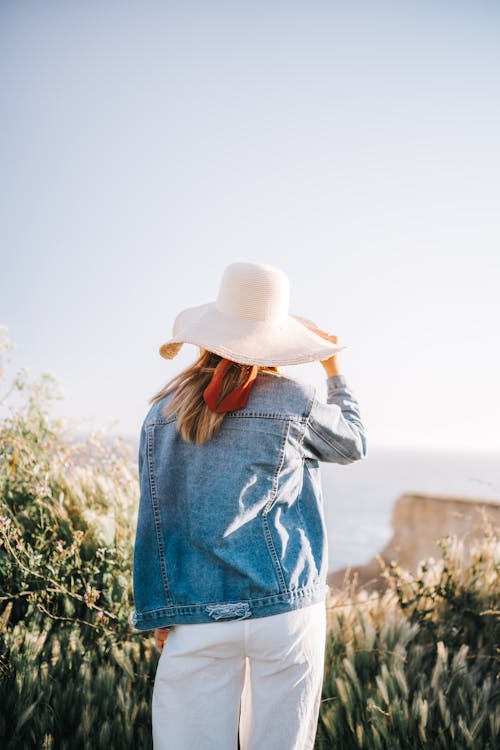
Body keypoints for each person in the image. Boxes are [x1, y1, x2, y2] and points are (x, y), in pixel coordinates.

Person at [131, 261, 367, 750]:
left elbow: (156, 521)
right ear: (276, 339)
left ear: (208, 335)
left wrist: (160, 609)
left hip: (194, 615)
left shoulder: (160, 414)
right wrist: (334, 371)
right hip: (284, 611)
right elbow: (352, 446)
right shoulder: (293, 400)